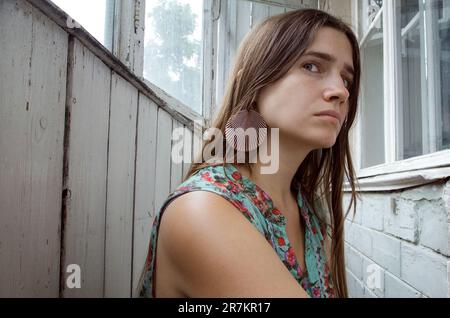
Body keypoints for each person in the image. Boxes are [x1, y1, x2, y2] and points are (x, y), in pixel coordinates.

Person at [137, 8, 361, 298]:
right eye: (312, 66)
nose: (340, 91)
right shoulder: (203, 211)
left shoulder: (310, 212)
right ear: (254, 84)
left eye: (347, 79)